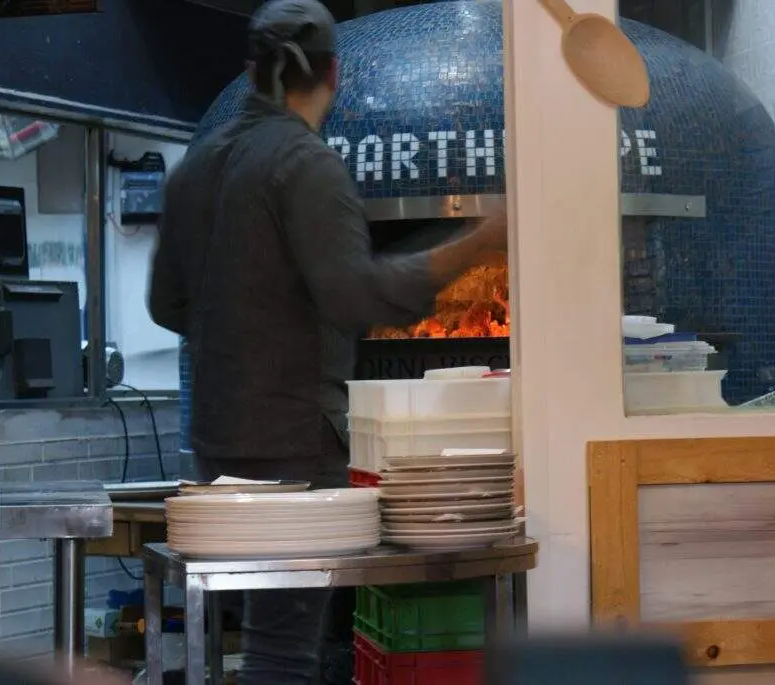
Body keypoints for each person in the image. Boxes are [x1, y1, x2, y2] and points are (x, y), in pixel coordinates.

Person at [147, 0, 508, 683]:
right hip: (296, 440)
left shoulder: (195, 170)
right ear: (332, 75)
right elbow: (354, 297)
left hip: (216, 442)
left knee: (265, 640)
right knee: (283, 652)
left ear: (252, 72)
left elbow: (168, 304)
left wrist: (241, 324)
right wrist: (476, 247)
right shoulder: (305, 165)